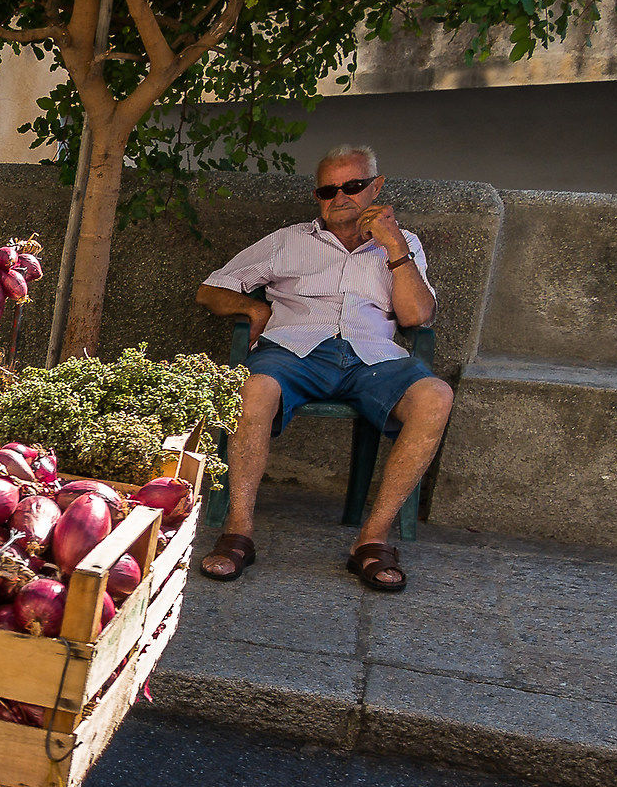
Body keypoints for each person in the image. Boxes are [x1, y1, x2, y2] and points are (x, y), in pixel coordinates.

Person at [192, 146, 454, 592]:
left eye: (353, 186)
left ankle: (372, 539)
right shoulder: (288, 240)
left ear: (377, 186)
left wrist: (393, 247)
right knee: (252, 389)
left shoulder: (403, 244)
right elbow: (211, 289)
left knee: (436, 396)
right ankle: (238, 530)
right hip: (294, 350)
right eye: (328, 189)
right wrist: (253, 309)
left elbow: (416, 318)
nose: (341, 197)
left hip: (372, 357)